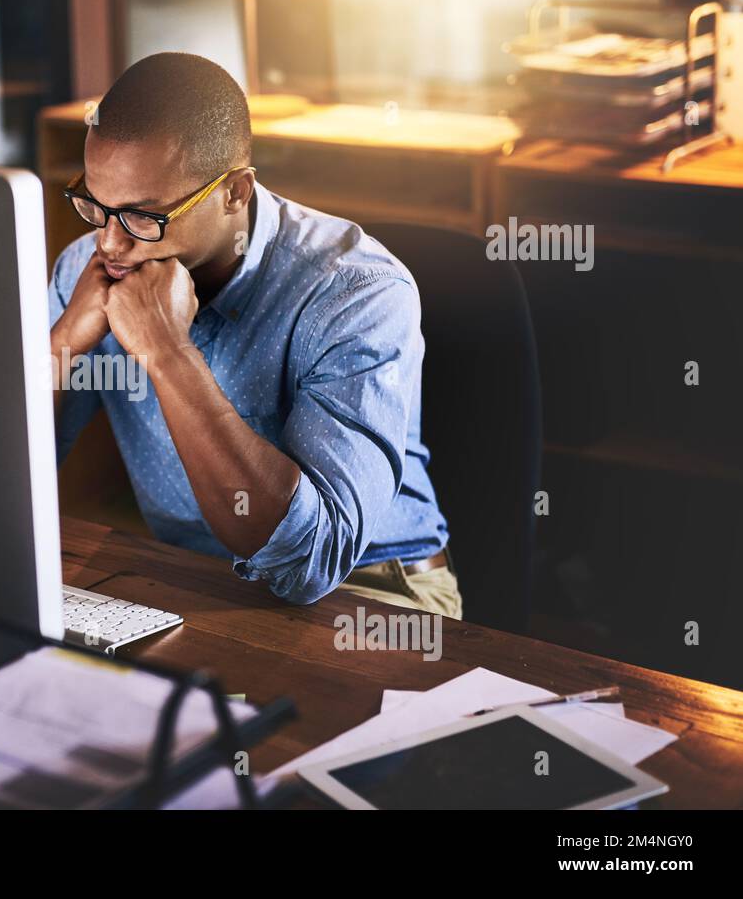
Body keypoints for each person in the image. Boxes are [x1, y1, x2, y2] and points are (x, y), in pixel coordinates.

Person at [48, 52, 460, 619]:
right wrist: (66, 339)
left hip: (374, 591)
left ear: (235, 192)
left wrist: (168, 353)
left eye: (144, 216)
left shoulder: (358, 292)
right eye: (96, 204)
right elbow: (6, 474)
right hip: (196, 583)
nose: (111, 245)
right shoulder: (88, 270)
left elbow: (308, 563)